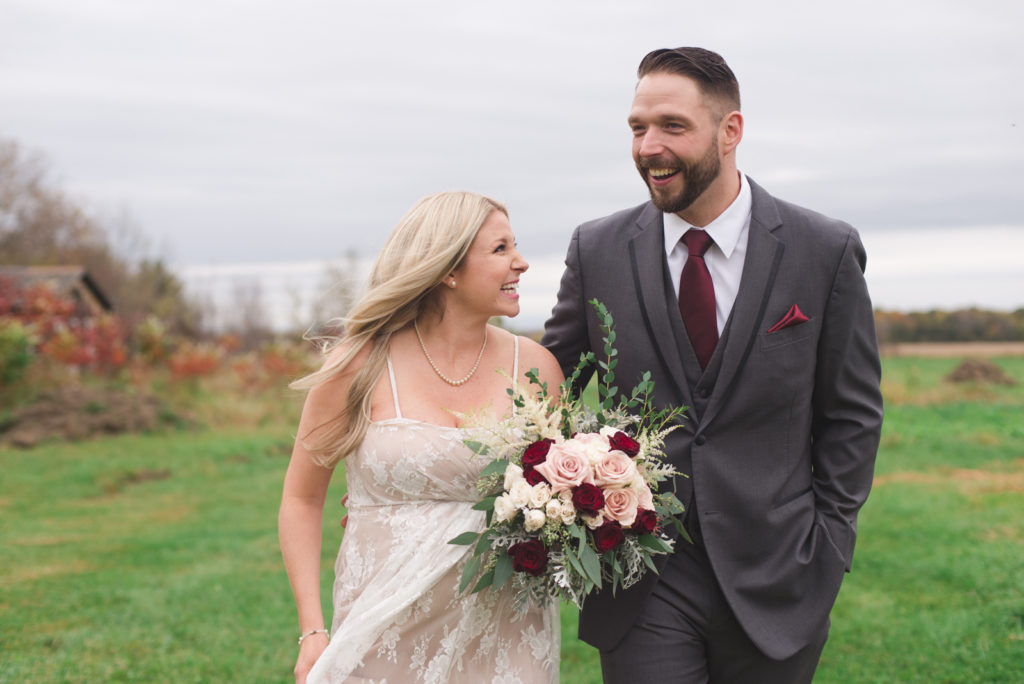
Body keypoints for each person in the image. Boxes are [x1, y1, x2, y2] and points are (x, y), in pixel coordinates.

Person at [541, 47, 883, 683]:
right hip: (641, 574)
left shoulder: (823, 249)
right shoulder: (598, 248)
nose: (648, 146)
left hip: (780, 570)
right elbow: (540, 386)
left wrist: (829, 541)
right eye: (637, 128)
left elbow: (852, 413)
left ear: (731, 132)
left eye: (672, 126)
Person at [279, 191, 564, 684]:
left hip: (506, 631)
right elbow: (301, 499)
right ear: (448, 269)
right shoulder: (358, 365)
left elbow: (560, 496)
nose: (521, 263)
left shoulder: (536, 369)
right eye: (500, 250)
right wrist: (312, 631)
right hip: (382, 627)